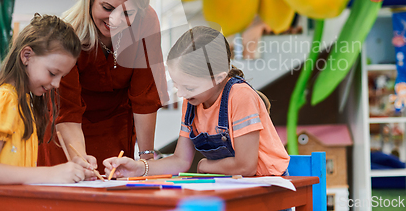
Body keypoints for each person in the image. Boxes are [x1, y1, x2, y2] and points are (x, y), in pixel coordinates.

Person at [38, 0, 168, 174]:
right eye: (107, 8)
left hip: (116, 126)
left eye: (128, 13)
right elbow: (67, 111)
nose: (116, 20)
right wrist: (81, 161)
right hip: (68, 132)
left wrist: (147, 162)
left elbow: (144, 96)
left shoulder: (146, 22)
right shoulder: (68, 35)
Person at [103, 26, 289, 178]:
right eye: (177, 85)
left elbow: (246, 166)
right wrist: (138, 168)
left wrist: (205, 164)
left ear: (218, 77)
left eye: (190, 87)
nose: (183, 94)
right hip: (234, 183)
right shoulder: (191, 101)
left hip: (269, 185)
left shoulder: (240, 96)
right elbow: (180, 161)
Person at [0, 14, 92, 211]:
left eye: (61, 76)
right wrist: (51, 174)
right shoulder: (4, 99)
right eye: (53, 73)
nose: (56, 84)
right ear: (26, 56)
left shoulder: (26, 100)